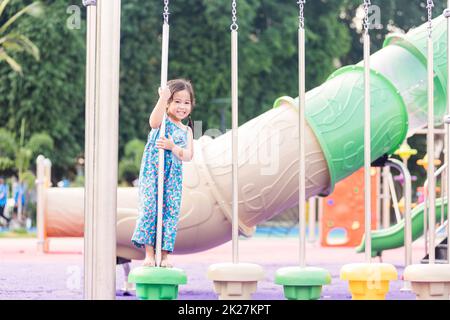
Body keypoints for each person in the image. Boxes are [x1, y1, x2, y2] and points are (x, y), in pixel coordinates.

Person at [131, 79, 195, 267]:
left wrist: (173, 147)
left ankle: (165, 254)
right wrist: (163, 98)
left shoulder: (187, 130)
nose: (182, 106)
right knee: (150, 208)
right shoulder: (163, 121)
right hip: (153, 171)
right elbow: (153, 122)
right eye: (177, 101)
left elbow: (189, 155)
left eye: (186, 102)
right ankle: (149, 254)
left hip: (172, 177)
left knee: (169, 213)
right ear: (168, 103)